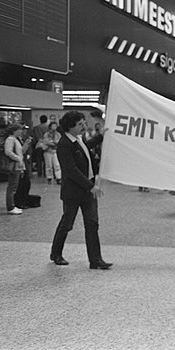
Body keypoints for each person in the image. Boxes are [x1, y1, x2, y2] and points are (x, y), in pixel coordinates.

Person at [49, 111, 111, 269]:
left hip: (87, 191)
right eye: (80, 124)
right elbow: (71, 170)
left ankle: (95, 259)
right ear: (70, 127)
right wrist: (91, 186)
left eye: (84, 123)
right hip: (74, 192)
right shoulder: (64, 144)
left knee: (92, 224)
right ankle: (56, 253)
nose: (84, 126)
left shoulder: (78, 139)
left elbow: (86, 148)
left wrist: (100, 136)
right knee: (67, 224)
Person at [3, 124, 32, 215]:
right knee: (12, 187)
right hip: (14, 165)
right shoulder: (10, 139)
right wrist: (18, 158)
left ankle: (12, 205)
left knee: (14, 186)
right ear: (14, 130)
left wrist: (26, 144)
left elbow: (21, 151)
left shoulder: (16, 140)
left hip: (18, 166)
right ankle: (10, 207)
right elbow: (8, 152)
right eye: (19, 130)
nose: (21, 131)